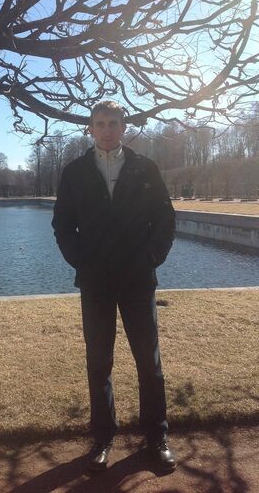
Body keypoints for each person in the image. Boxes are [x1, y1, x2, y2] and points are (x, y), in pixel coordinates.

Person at [52, 100, 176, 472]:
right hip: (96, 282)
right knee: (98, 363)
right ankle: (103, 438)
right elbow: (63, 224)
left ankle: (156, 437)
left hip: (138, 279)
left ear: (124, 128)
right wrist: (82, 262)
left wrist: (152, 258)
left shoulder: (145, 168)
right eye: (100, 123)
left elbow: (165, 218)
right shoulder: (75, 172)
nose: (107, 130)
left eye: (113, 123)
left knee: (149, 363)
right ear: (90, 128)